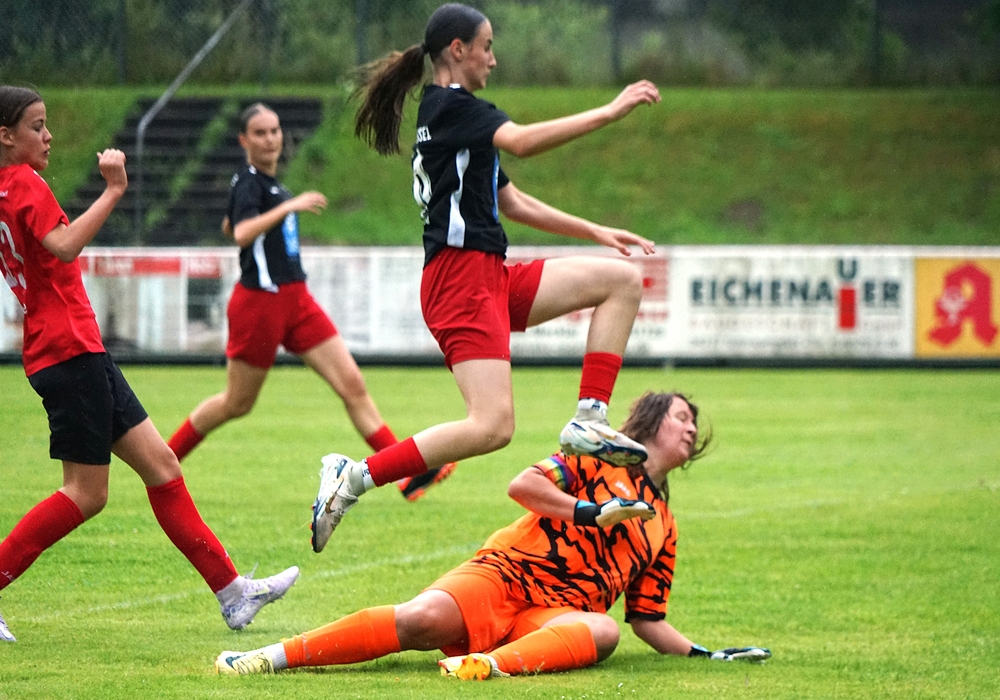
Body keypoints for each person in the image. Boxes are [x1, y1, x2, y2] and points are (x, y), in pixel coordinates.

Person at [310, 2, 662, 553]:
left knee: (621, 281)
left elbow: (511, 201)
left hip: (486, 275)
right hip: (459, 282)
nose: (493, 60)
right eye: (487, 47)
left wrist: (594, 230)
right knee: (492, 426)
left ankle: (589, 419)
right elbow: (522, 141)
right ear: (458, 50)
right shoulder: (452, 106)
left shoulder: (455, 117)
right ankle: (353, 477)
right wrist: (610, 111)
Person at [0, 86, 298, 643]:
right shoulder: (22, 182)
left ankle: (233, 593)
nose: (48, 136)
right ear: (5, 136)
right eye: (36, 126)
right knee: (85, 492)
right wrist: (114, 189)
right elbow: (64, 245)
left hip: (73, 347)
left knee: (162, 467)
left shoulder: (6, 186)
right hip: (68, 350)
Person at [215, 391, 771, 678]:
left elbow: (647, 618)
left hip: (555, 615)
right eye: (681, 416)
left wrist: (708, 655)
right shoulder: (596, 456)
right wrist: (590, 512)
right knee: (421, 620)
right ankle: (271, 656)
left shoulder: (665, 526)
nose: (691, 427)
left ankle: (488, 666)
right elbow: (522, 485)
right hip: (507, 574)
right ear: (650, 421)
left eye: (693, 422)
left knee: (604, 631)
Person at [165, 102, 454, 503]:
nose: (270, 139)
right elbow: (242, 233)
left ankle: (408, 471)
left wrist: (274, 207)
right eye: (260, 133)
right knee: (236, 403)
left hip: (297, 301)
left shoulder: (267, 185)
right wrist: (288, 206)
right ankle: (164, 459)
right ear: (244, 140)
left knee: (352, 385)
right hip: (260, 303)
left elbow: (230, 224)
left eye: (275, 130)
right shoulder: (250, 182)